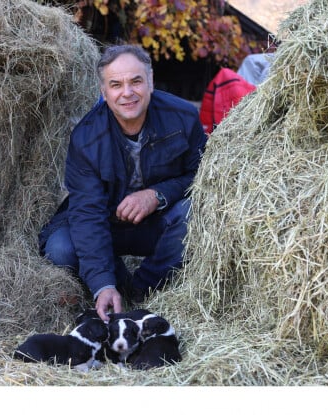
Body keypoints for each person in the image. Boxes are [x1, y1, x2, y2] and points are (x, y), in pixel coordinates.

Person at [39, 44, 208, 321]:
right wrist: (103, 283)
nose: (127, 93)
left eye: (136, 81)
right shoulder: (85, 138)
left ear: (150, 81)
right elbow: (87, 214)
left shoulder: (183, 117)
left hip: (159, 223)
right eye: (116, 85)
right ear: (104, 93)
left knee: (195, 214)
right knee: (60, 249)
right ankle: (114, 284)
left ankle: (141, 288)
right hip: (107, 225)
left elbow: (201, 177)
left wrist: (157, 195)